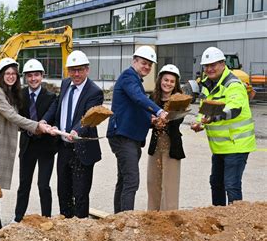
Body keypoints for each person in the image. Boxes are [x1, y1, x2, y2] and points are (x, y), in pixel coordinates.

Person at [0, 57, 50, 229]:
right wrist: (37, 126)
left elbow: (14, 123)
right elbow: (12, 116)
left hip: (1, 147)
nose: (11, 76)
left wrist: (37, 126)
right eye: (7, 73)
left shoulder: (11, 94)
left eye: (13, 74)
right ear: (1, 75)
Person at [191, 47, 256, 206]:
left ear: (222, 64)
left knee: (231, 185)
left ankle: (235, 223)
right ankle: (219, 218)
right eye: (206, 66)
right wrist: (199, 122)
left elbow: (233, 109)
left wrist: (213, 118)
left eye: (213, 65)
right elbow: (204, 109)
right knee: (216, 183)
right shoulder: (208, 85)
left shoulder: (233, 84)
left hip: (237, 144)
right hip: (220, 147)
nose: (209, 69)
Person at [107, 46, 168, 214]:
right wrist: (159, 111)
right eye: (143, 63)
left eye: (149, 65)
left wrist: (151, 120)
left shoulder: (135, 80)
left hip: (129, 136)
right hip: (123, 136)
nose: (146, 67)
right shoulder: (129, 77)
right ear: (134, 61)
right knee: (132, 181)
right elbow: (138, 98)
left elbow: (136, 108)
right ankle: (126, 219)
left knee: (124, 179)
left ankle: (119, 217)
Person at [43, 50, 104, 219]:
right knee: (63, 191)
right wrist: (44, 121)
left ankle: (80, 230)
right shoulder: (65, 84)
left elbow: (88, 117)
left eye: (80, 70)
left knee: (80, 194)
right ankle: (65, 225)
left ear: (87, 70)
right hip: (64, 148)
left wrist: (76, 130)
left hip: (81, 150)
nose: (76, 74)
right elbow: (57, 105)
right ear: (67, 70)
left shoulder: (94, 92)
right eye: (72, 70)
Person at [13, 59, 58, 222]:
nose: (33, 79)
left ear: (42, 76)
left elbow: (51, 114)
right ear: (25, 77)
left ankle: (46, 217)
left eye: (36, 75)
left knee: (43, 185)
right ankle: (18, 217)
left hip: (46, 147)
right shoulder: (19, 95)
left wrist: (43, 123)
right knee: (24, 184)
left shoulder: (51, 97)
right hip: (27, 146)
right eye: (30, 75)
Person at [147, 64, 185, 211]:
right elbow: (146, 119)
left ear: (175, 84)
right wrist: (152, 122)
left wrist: (165, 120)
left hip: (172, 146)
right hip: (156, 145)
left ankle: (169, 217)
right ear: (160, 80)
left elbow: (178, 120)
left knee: (170, 185)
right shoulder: (153, 98)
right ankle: (152, 216)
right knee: (153, 182)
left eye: (171, 81)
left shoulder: (179, 100)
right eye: (165, 80)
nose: (168, 83)